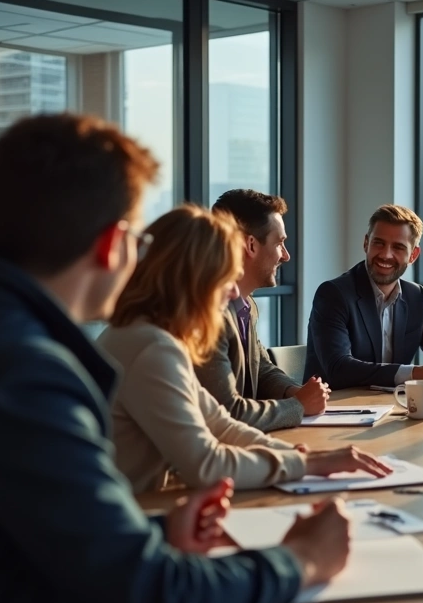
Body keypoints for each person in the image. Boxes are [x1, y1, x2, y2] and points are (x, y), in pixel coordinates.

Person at [0, 113, 352, 603]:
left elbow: (29, 529)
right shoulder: (26, 374)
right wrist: (301, 559)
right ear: (111, 245)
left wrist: (158, 528)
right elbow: (159, 600)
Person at [98, 205, 393, 493]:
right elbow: (206, 465)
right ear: (193, 279)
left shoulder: (155, 338)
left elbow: (220, 424)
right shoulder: (152, 348)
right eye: (226, 277)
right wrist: (305, 465)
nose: (234, 291)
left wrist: (300, 456)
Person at [195, 189, 329, 432]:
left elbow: (261, 368)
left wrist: (295, 391)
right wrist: (298, 405)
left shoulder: (247, 305)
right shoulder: (208, 315)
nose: (286, 256)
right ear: (251, 245)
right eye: (279, 243)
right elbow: (227, 412)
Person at [305, 203, 423, 390]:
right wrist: (419, 374)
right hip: (335, 409)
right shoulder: (333, 294)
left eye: (398, 247)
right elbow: (339, 368)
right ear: (366, 243)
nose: (386, 254)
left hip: (390, 408)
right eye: (378, 243)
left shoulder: (415, 297)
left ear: (413, 255)